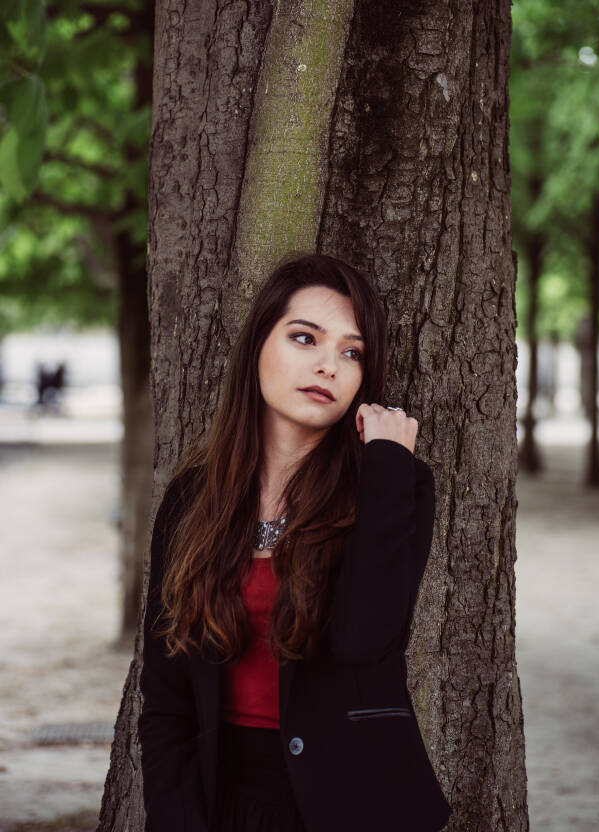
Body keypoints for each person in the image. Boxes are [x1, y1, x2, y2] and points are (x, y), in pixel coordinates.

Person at [138, 252, 453, 832]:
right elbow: (165, 694)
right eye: (305, 338)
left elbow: (365, 639)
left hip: (353, 805)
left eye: (351, 352)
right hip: (219, 802)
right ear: (259, 343)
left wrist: (385, 464)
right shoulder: (191, 499)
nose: (329, 365)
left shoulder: (391, 486)